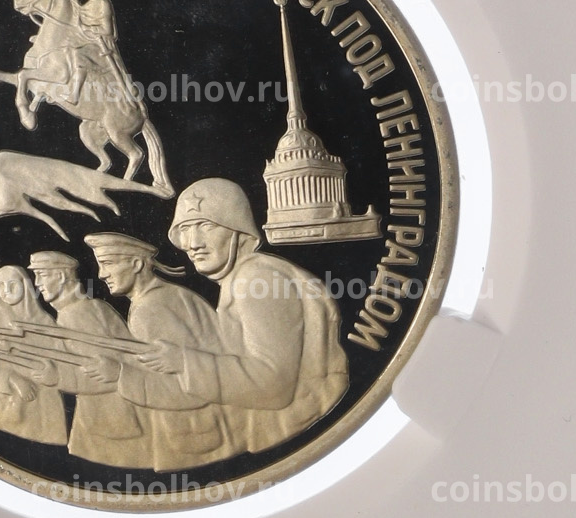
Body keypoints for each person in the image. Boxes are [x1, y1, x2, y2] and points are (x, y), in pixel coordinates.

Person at [143, 179, 349, 456]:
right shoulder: (243, 278)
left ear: (238, 229)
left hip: (293, 427)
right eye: (185, 230)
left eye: (206, 226)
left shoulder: (255, 279)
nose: (193, 244)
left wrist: (182, 362)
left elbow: (274, 384)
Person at [84, 232, 231, 469]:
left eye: (108, 263)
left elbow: (185, 386)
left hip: (191, 435)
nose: (101, 274)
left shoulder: (149, 310)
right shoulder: (177, 294)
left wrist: (120, 374)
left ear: (137, 264)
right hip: (211, 425)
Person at [28, 250, 148, 466]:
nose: (37, 283)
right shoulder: (94, 307)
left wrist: (54, 376)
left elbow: (101, 375)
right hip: (113, 419)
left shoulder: (75, 315)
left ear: (61, 276)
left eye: (42, 275)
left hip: (108, 425)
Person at [0, 265, 68, 446]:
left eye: (12, 284)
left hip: (47, 413)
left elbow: (64, 362)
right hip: (8, 410)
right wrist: (13, 379)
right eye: (1, 285)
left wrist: (53, 372)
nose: (7, 290)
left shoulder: (45, 322)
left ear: (25, 285)